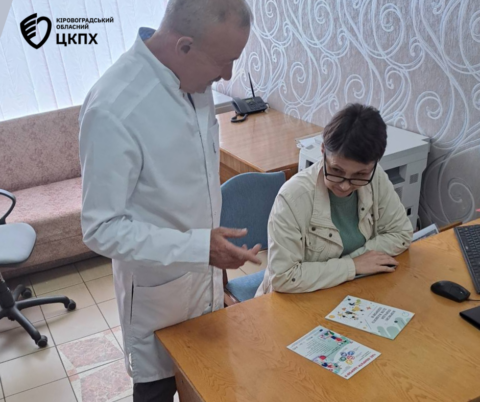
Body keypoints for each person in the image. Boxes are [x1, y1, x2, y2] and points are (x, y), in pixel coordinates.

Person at [79, 1, 260, 401]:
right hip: (158, 297)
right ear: (184, 47)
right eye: (224, 61)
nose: (228, 75)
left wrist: (213, 263)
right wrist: (198, 248)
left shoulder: (195, 80)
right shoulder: (114, 107)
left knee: (211, 385)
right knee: (159, 388)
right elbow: (100, 229)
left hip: (205, 284)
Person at [256, 103, 413, 296]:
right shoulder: (293, 197)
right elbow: (284, 277)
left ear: (374, 164)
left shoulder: (375, 177)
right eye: (336, 170)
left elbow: (401, 233)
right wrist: (352, 265)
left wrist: (355, 264)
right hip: (296, 298)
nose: (345, 185)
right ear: (323, 150)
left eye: (360, 174)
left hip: (349, 289)